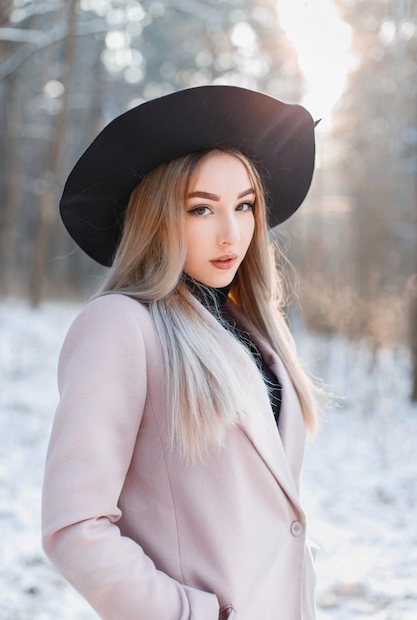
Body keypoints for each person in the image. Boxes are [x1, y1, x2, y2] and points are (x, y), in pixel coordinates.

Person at [42, 85, 320, 620]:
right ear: (157, 216)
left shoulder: (247, 327)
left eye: (245, 205)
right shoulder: (121, 327)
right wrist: (188, 614)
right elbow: (74, 525)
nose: (231, 233)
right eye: (201, 209)